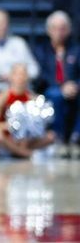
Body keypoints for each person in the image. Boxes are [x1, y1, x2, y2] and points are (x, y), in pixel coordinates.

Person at [34, 11, 80, 156]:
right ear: (49, 30)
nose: (59, 32)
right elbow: (41, 76)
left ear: (69, 30)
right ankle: (58, 137)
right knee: (56, 95)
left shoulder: (76, 49)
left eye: (63, 28)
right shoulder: (41, 50)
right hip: (49, 89)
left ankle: (76, 137)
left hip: (74, 89)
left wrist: (75, 85)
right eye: (55, 28)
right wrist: (62, 87)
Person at [0, 63, 55, 159]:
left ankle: (19, 152)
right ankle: (25, 154)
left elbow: (41, 127)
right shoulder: (2, 97)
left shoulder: (33, 98)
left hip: (25, 141)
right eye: (17, 74)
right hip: (7, 140)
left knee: (51, 136)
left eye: (23, 74)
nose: (20, 78)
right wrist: (10, 125)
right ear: (11, 77)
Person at [0, 8, 39, 95]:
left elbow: (34, 69)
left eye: (2, 22)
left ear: (8, 24)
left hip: (20, 90)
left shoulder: (19, 43)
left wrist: (18, 76)